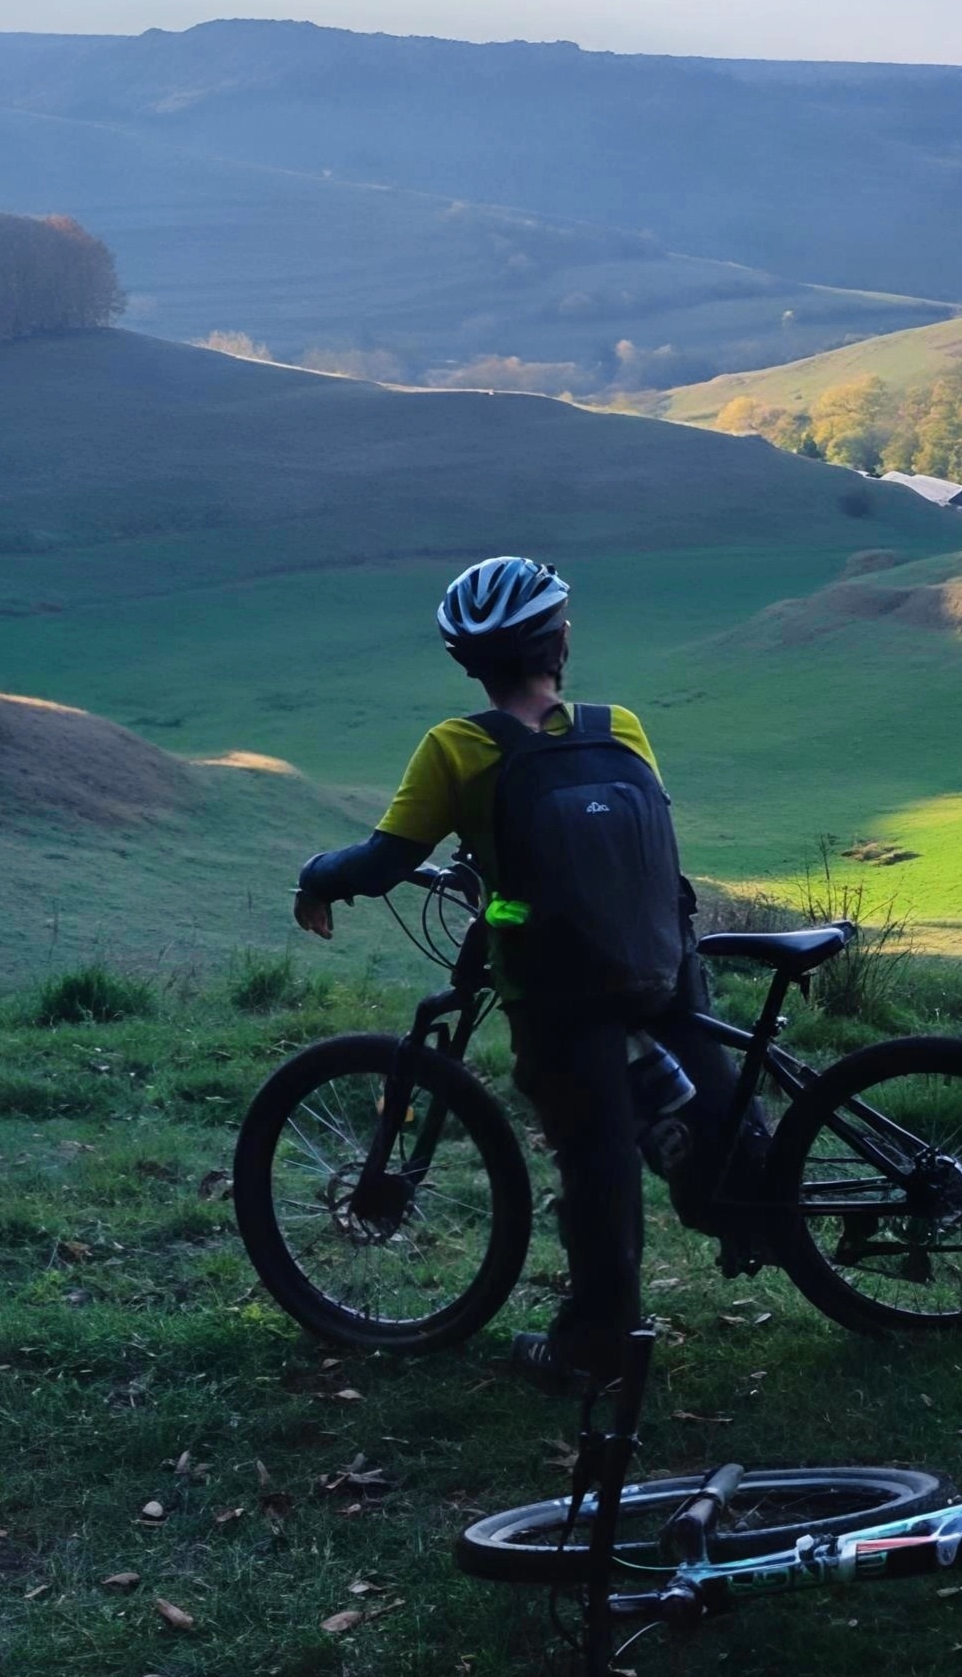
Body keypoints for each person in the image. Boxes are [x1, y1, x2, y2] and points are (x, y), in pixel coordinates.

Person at [293, 556, 752, 1391]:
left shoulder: (457, 748)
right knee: (714, 1105)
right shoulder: (622, 727)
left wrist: (316, 876)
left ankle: (595, 1347)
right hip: (662, 960)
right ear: (559, 643)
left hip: (557, 990)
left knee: (595, 1161)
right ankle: (750, 1202)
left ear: (467, 663)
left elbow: (383, 861)